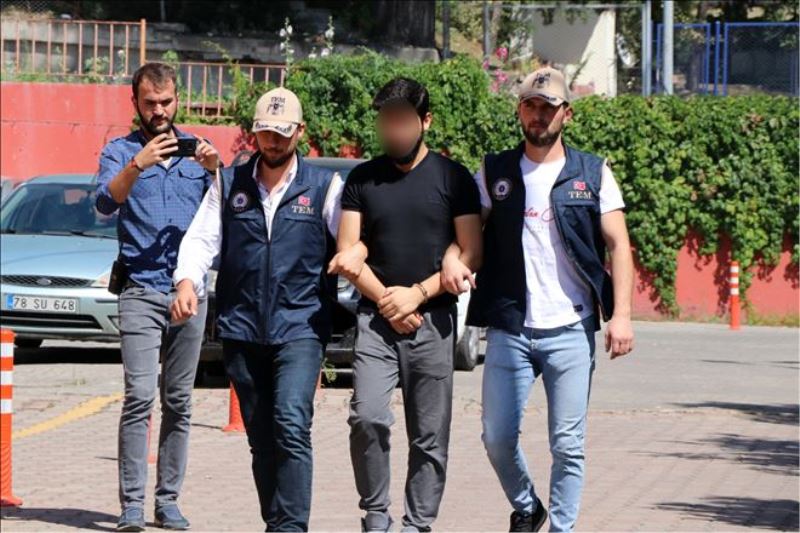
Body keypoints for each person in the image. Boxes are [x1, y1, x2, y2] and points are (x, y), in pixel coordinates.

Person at [443, 67, 635, 532]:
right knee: (496, 436)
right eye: (531, 105)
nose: (539, 115)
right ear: (519, 111)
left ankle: (561, 529)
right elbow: (468, 232)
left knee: (567, 444)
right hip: (510, 326)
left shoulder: (593, 172)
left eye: (548, 108)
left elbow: (619, 245)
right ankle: (528, 506)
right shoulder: (495, 170)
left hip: (570, 328)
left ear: (566, 114)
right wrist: (451, 257)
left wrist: (622, 315)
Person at [172, 87, 353, 532]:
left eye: (282, 133)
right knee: (261, 437)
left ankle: (291, 527)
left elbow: (351, 245)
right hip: (242, 327)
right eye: (266, 133)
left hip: (301, 326)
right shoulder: (228, 183)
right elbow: (201, 240)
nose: (273, 142)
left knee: (291, 421)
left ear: (300, 132)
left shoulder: (325, 188)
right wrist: (186, 282)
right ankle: (277, 523)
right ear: (254, 133)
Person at [329, 77, 483, 533]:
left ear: (425, 121)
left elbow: (472, 251)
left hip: (433, 320)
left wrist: (417, 293)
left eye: (402, 120)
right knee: (367, 417)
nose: (392, 129)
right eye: (386, 121)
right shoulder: (362, 178)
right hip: (376, 321)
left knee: (430, 435)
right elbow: (347, 253)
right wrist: (388, 300)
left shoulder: (453, 178)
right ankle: (376, 515)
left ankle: (418, 524)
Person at [95, 62, 221, 532]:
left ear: (177, 100)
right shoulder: (120, 151)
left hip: (189, 292)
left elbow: (227, 213)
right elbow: (104, 204)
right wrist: (138, 164)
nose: (159, 111)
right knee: (139, 397)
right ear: (136, 103)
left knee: (179, 400)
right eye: (150, 103)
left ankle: (168, 502)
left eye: (166, 102)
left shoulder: (198, 153)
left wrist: (216, 171)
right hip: (140, 289)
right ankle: (131, 505)